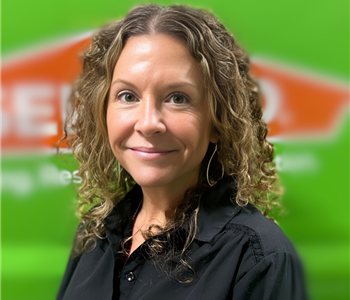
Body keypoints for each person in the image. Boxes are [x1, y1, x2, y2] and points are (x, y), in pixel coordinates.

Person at [57, 4, 307, 300]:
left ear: (217, 122)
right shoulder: (93, 236)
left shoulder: (257, 257)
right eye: (128, 96)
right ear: (103, 112)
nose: (148, 123)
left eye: (178, 98)